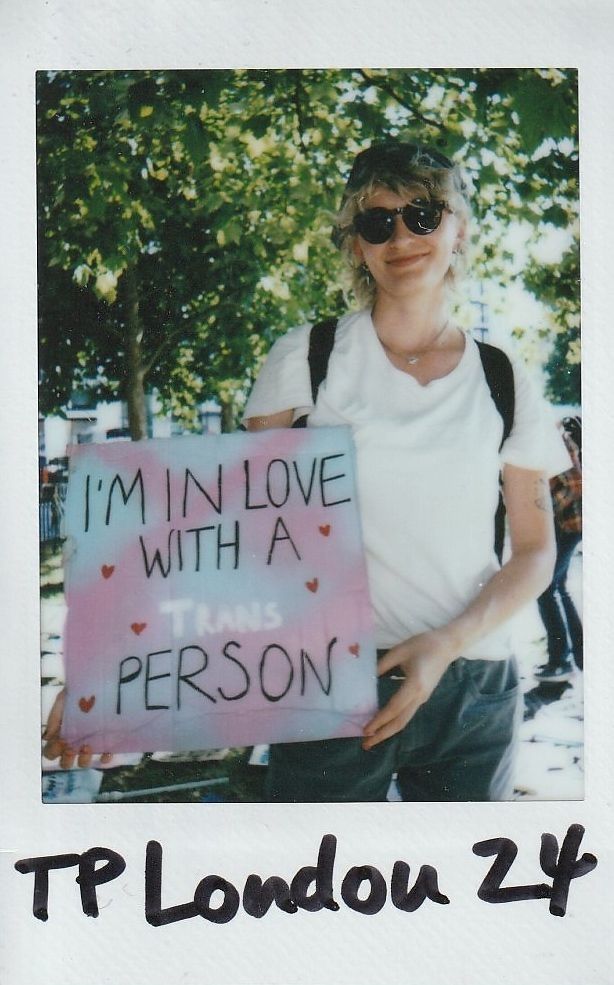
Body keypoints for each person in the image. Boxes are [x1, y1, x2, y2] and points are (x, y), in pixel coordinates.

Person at [243, 139, 571, 802]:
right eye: (376, 221)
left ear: (458, 229)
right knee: (318, 866)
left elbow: (536, 552)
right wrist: (112, 684)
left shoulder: (504, 376)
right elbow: (239, 534)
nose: (400, 237)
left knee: (459, 871)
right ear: (356, 244)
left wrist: (444, 644)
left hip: (472, 683)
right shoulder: (305, 360)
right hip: (329, 678)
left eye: (423, 214)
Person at [534, 417, 583, 682]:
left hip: (570, 524)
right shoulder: (552, 437)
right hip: (569, 524)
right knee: (558, 587)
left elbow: (574, 483)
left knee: (545, 588)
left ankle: (560, 661)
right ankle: (581, 655)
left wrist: (542, 506)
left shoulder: (552, 439)